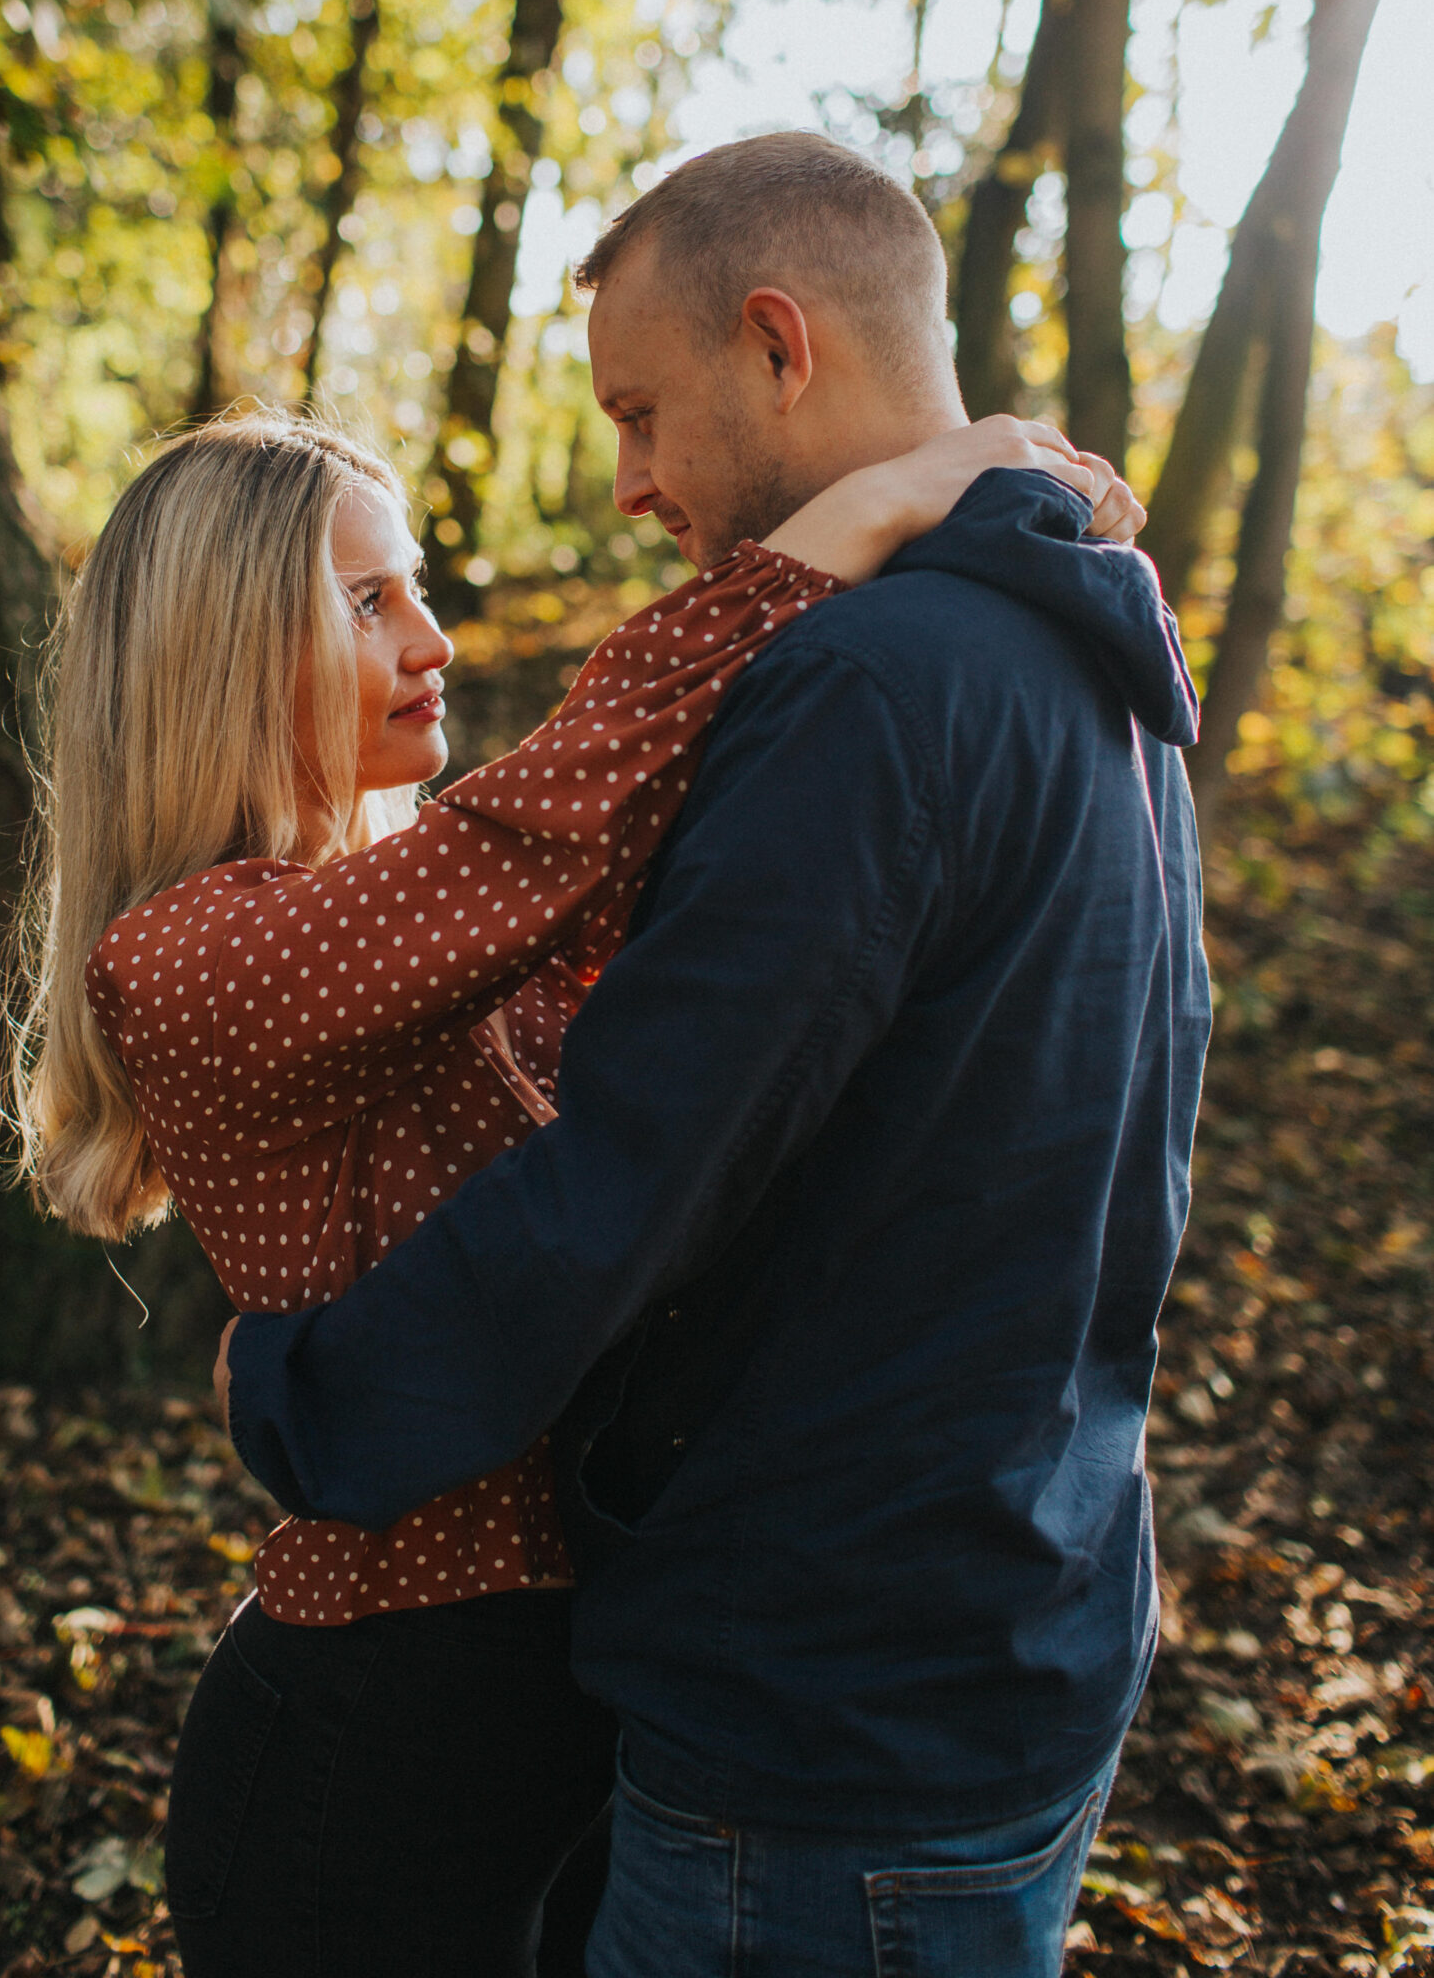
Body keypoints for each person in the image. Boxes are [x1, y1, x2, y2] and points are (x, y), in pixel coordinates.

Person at [219, 131, 1211, 1978]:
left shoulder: (866, 688)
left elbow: (628, 1182)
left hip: (826, 1710)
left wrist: (305, 1396)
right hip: (1031, 1610)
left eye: (644, 414)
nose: (629, 482)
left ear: (779, 342)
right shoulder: (1098, 658)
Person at [8, 373, 1135, 1977]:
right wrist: (871, 510)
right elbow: (559, 814)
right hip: (368, 1744)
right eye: (370, 598)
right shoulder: (191, 954)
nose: (436, 638)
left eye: (424, 589)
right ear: (224, 647)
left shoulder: (402, 924)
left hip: (575, 1714)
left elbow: (664, 924)